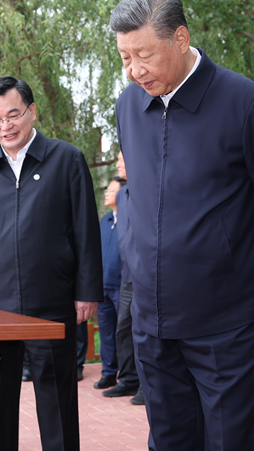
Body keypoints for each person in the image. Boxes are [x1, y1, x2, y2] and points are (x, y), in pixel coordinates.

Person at [111, 0, 254, 450]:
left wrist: (230, 252)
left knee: (234, 439)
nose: (135, 70)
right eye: (124, 58)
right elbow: (139, 192)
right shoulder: (128, 106)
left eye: (144, 55)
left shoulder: (244, 102)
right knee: (170, 438)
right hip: (152, 317)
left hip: (226, 317)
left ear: (180, 39)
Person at [0, 76, 103, 451]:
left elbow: (85, 230)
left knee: (57, 401)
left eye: (13, 115)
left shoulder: (66, 159)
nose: (5, 126)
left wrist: (87, 291)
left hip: (51, 303)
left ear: (32, 111)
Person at [102, 152, 142, 402]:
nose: (117, 164)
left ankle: (147, 386)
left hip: (146, 274)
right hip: (127, 277)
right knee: (123, 330)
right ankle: (128, 380)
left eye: (122, 158)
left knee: (145, 333)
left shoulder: (146, 188)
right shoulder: (124, 194)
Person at [93, 176, 126, 391]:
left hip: (123, 286)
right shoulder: (104, 220)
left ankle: (130, 376)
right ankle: (108, 373)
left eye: (111, 191)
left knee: (124, 333)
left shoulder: (130, 218)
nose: (106, 194)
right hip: (103, 286)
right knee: (106, 332)